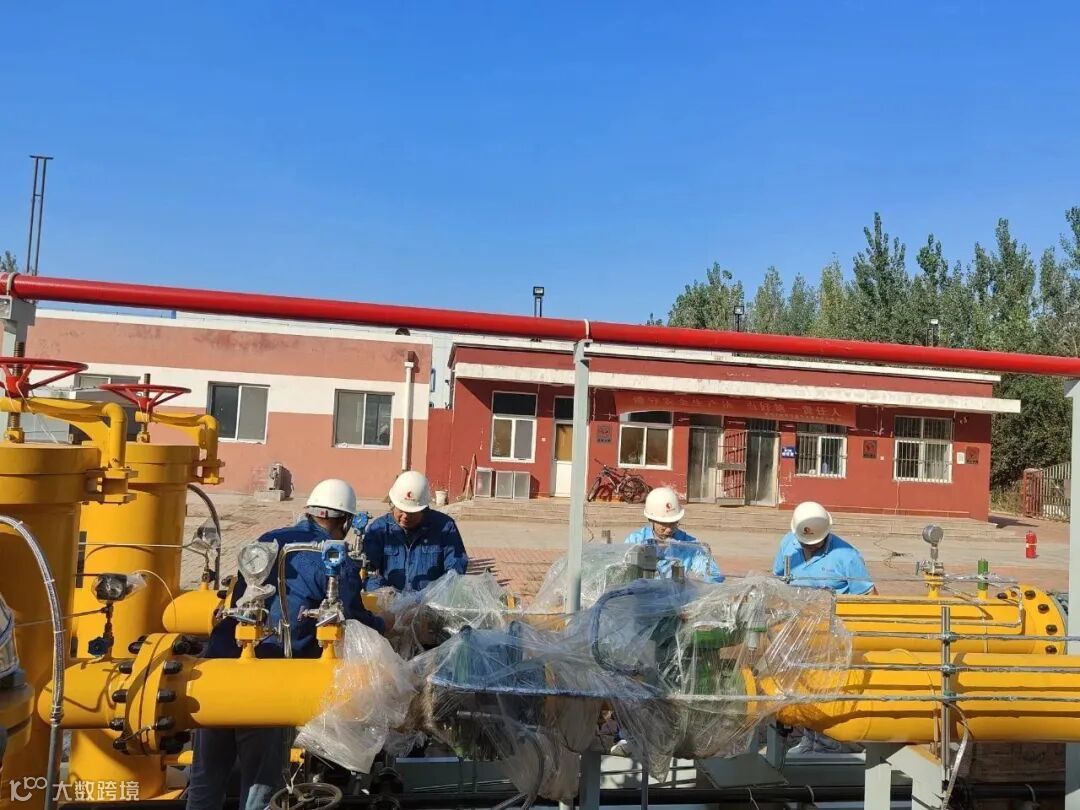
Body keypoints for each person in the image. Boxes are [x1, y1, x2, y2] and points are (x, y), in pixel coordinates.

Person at [187, 479, 385, 810]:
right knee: (260, 785)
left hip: (217, 671)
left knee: (206, 778)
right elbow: (353, 617)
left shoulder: (267, 540)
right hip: (270, 678)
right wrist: (386, 623)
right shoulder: (332, 556)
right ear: (346, 521)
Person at [773, 501, 874, 756]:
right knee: (802, 686)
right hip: (796, 631)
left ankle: (828, 741)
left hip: (831, 636)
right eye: (805, 542)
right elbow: (779, 579)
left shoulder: (847, 556)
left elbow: (869, 597)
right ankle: (809, 738)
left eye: (815, 543)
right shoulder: (788, 543)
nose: (809, 546)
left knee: (825, 687)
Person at [363, 470, 468, 592]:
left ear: (423, 509)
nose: (405, 516)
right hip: (389, 602)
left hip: (431, 601)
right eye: (401, 510)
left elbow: (456, 569)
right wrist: (382, 591)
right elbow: (368, 572)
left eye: (411, 513)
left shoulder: (445, 528)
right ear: (392, 504)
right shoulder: (379, 530)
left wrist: (436, 594)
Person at [624, 486, 724, 583]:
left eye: (674, 523)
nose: (669, 529)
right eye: (664, 524)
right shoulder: (635, 541)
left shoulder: (690, 545)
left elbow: (713, 575)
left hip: (677, 593)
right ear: (651, 519)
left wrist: (708, 580)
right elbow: (623, 572)